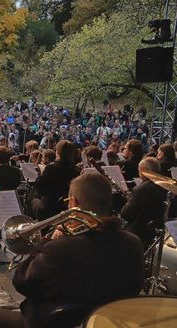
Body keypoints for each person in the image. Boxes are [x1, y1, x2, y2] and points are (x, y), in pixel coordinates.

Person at [13, 173, 144, 328]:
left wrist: (46, 241)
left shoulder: (58, 248)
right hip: (111, 321)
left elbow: (22, 282)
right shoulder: (134, 242)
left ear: (74, 203)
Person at [120, 157, 167, 248]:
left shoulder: (140, 189)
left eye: (139, 170)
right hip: (155, 228)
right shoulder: (165, 185)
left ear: (144, 171)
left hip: (139, 231)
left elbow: (126, 214)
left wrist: (128, 202)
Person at [32, 140, 81, 219]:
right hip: (66, 206)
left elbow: (38, 184)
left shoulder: (51, 168)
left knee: (33, 197)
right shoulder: (76, 170)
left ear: (58, 152)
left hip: (50, 207)